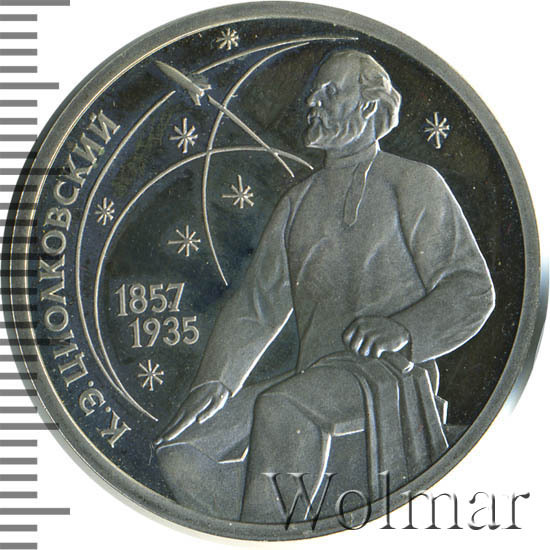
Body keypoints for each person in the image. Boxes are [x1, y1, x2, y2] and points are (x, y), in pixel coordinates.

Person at [155, 50, 495, 523]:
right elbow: (257, 305)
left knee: (281, 410)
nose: (313, 101)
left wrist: (403, 329)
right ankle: (273, 519)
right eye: (315, 92)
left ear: (369, 105)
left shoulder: (413, 182)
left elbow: (472, 288)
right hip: (310, 380)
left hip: (386, 378)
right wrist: (216, 381)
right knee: (178, 450)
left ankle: (276, 530)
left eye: (330, 92)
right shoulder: (298, 202)